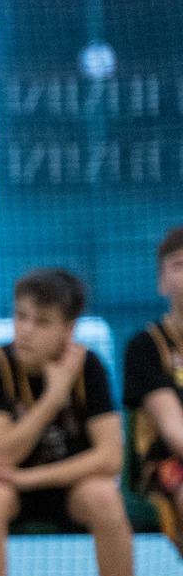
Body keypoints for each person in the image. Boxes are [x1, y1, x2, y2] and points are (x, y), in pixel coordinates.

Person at [0, 268, 173, 576]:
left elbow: (110, 458)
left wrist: (28, 478)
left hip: (65, 485)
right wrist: (52, 398)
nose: (25, 330)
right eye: (20, 316)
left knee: (104, 498)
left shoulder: (90, 366)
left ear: (68, 329)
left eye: (42, 322)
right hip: (9, 488)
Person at [120, 227, 183, 555]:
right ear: (161, 282)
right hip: (166, 463)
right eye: (179, 265)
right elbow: (174, 432)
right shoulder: (146, 346)